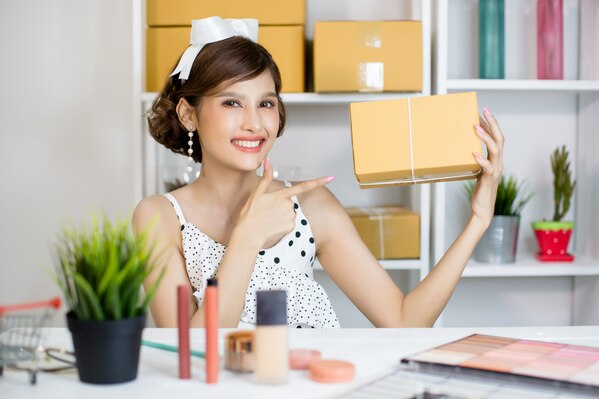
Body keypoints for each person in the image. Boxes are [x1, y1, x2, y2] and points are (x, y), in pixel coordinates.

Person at [133, 17, 504, 329]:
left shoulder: (311, 205)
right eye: (232, 102)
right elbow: (191, 353)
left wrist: (478, 220)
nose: (254, 122)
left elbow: (404, 321)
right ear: (188, 114)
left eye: (266, 103)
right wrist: (246, 239)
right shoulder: (158, 217)